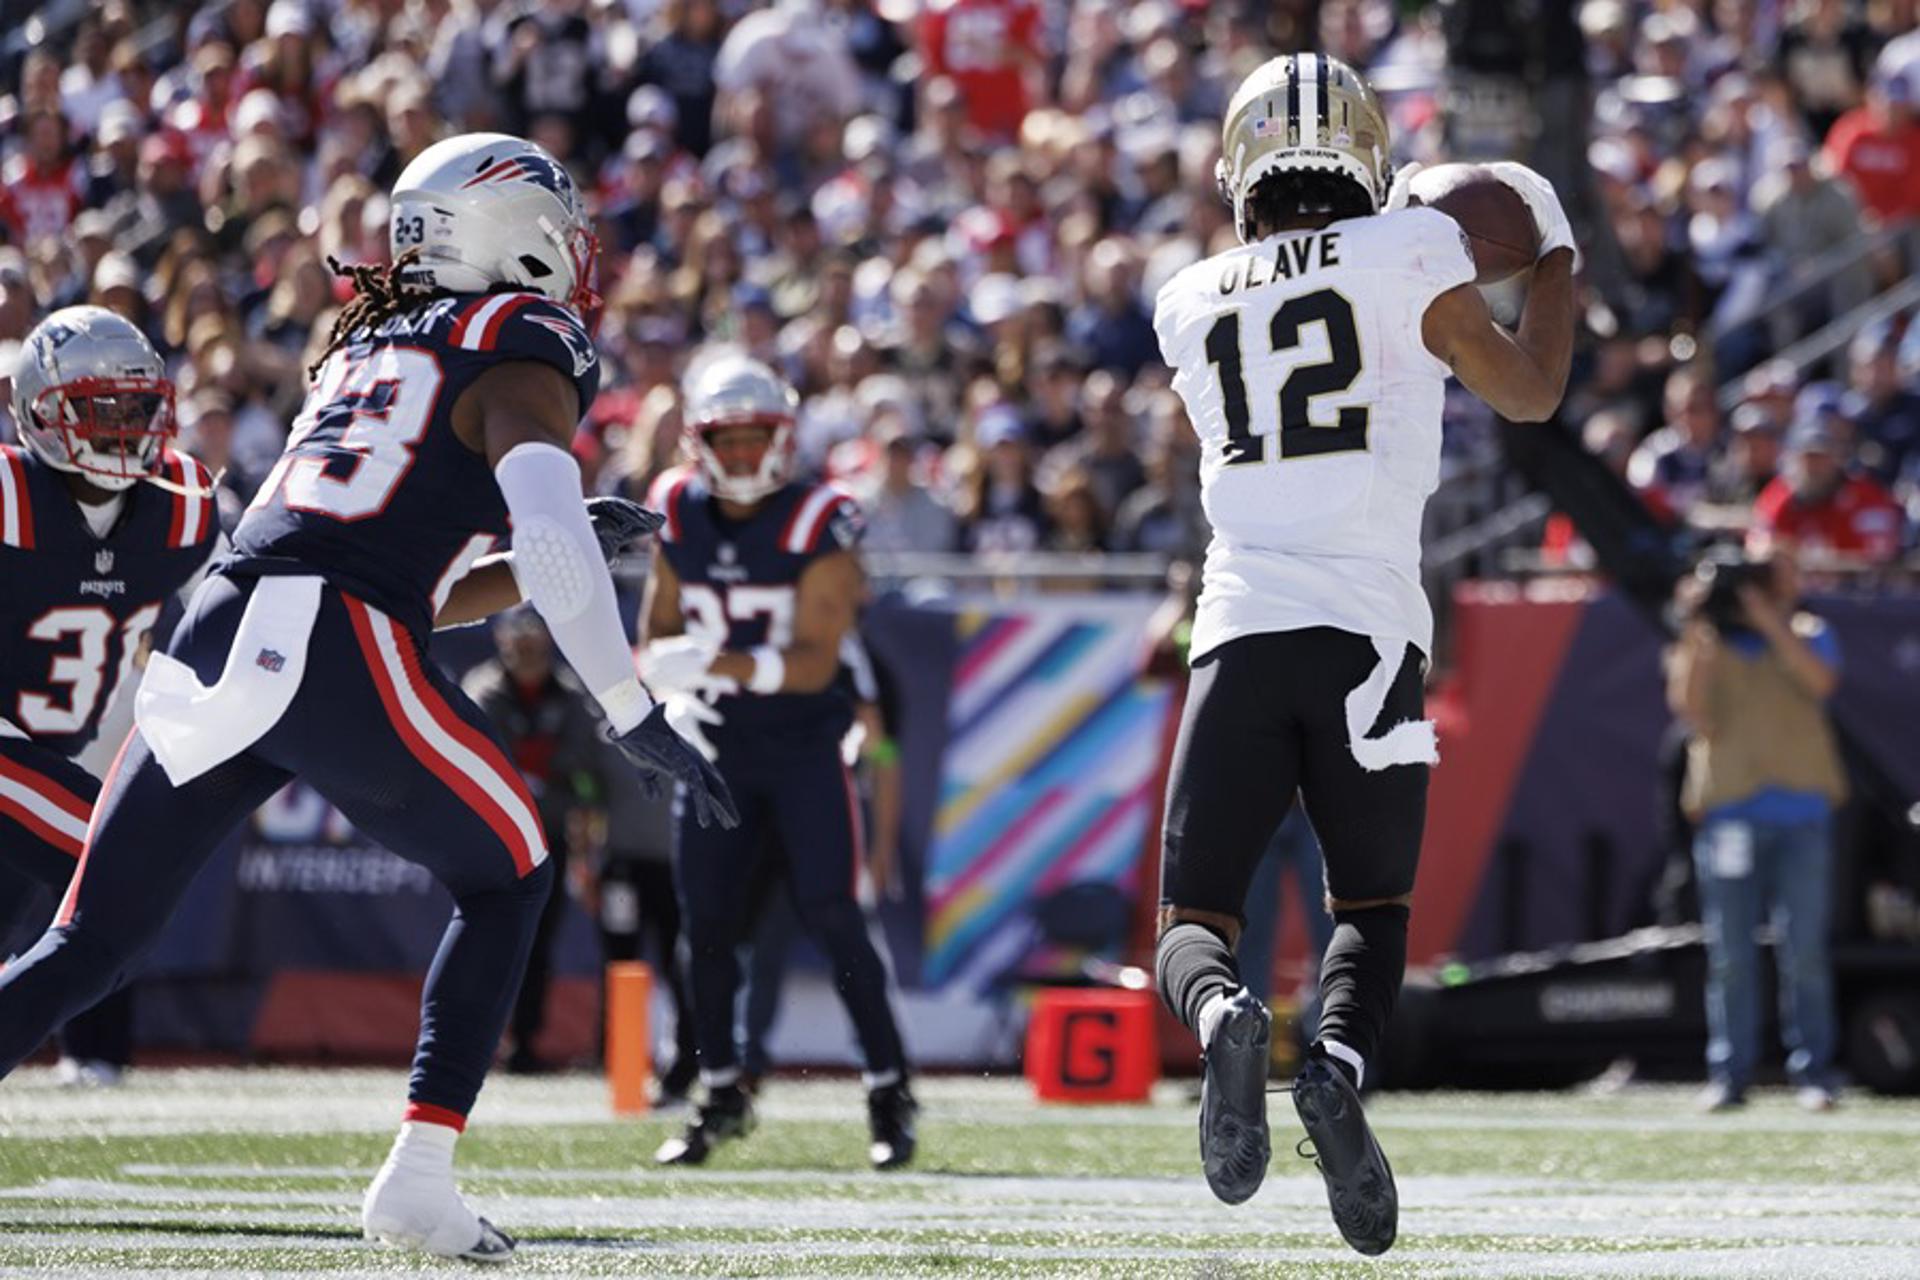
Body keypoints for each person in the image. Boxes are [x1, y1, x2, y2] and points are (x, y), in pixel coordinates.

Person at [0, 133, 737, 1264]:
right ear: (509, 227)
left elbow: (418, 582)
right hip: (326, 633)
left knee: (85, 941)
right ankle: (421, 1178)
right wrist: (630, 708)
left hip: (227, 629)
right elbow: (525, 541)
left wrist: (562, 546)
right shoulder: (521, 336)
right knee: (514, 869)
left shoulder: (367, 345)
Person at [1149, 54, 1574, 1256]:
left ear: (1239, 167)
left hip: (1239, 626)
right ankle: (1334, 1061)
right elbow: (1533, 393)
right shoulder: (1411, 251)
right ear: (1369, 157)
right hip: (1373, 635)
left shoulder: (1186, 297)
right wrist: (1556, 263)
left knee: (1193, 918)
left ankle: (1229, 1010)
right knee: (1372, 905)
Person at [638, 352, 916, 1171]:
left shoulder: (818, 517)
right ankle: (719, 1088)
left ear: (786, 438)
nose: (744, 454)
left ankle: (888, 1087)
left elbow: (816, 660)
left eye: (759, 437)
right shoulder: (676, 508)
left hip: (800, 745)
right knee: (707, 929)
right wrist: (671, 682)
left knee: (834, 917)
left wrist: (713, 667)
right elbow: (655, 631)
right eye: (728, 439)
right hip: (718, 747)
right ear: (698, 442)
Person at [0, 307, 224, 1085]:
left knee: (78, 928)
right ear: (42, 411)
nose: (125, 426)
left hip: (51, 756)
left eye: (137, 406)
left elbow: (239, 615)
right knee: (116, 884)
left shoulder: (183, 504)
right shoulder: (7, 494)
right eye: (102, 406)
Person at [1667, 548, 1847, 1112]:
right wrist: (1699, 621)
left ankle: (1814, 1070)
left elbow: (1820, 682)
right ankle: (1730, 1073)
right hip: (1729, 817)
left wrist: (1768, 618)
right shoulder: (1706, 640)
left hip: (1801, 817)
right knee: (1729, 953)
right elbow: (1689, 707)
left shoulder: (1808, 630)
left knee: (1805, 949)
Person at [461, 609, 606, 1074]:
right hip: (493, 834)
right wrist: (534, 773)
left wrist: (549, 778)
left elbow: (582, 766)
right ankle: (468, 1039)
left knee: (538, 942)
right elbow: (480, 752)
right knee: (481, 935)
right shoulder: (484, 688)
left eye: (534, 645)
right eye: (518, 644)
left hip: (548, 836)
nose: (526, 654)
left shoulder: (568, 696)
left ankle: (524, 1039)